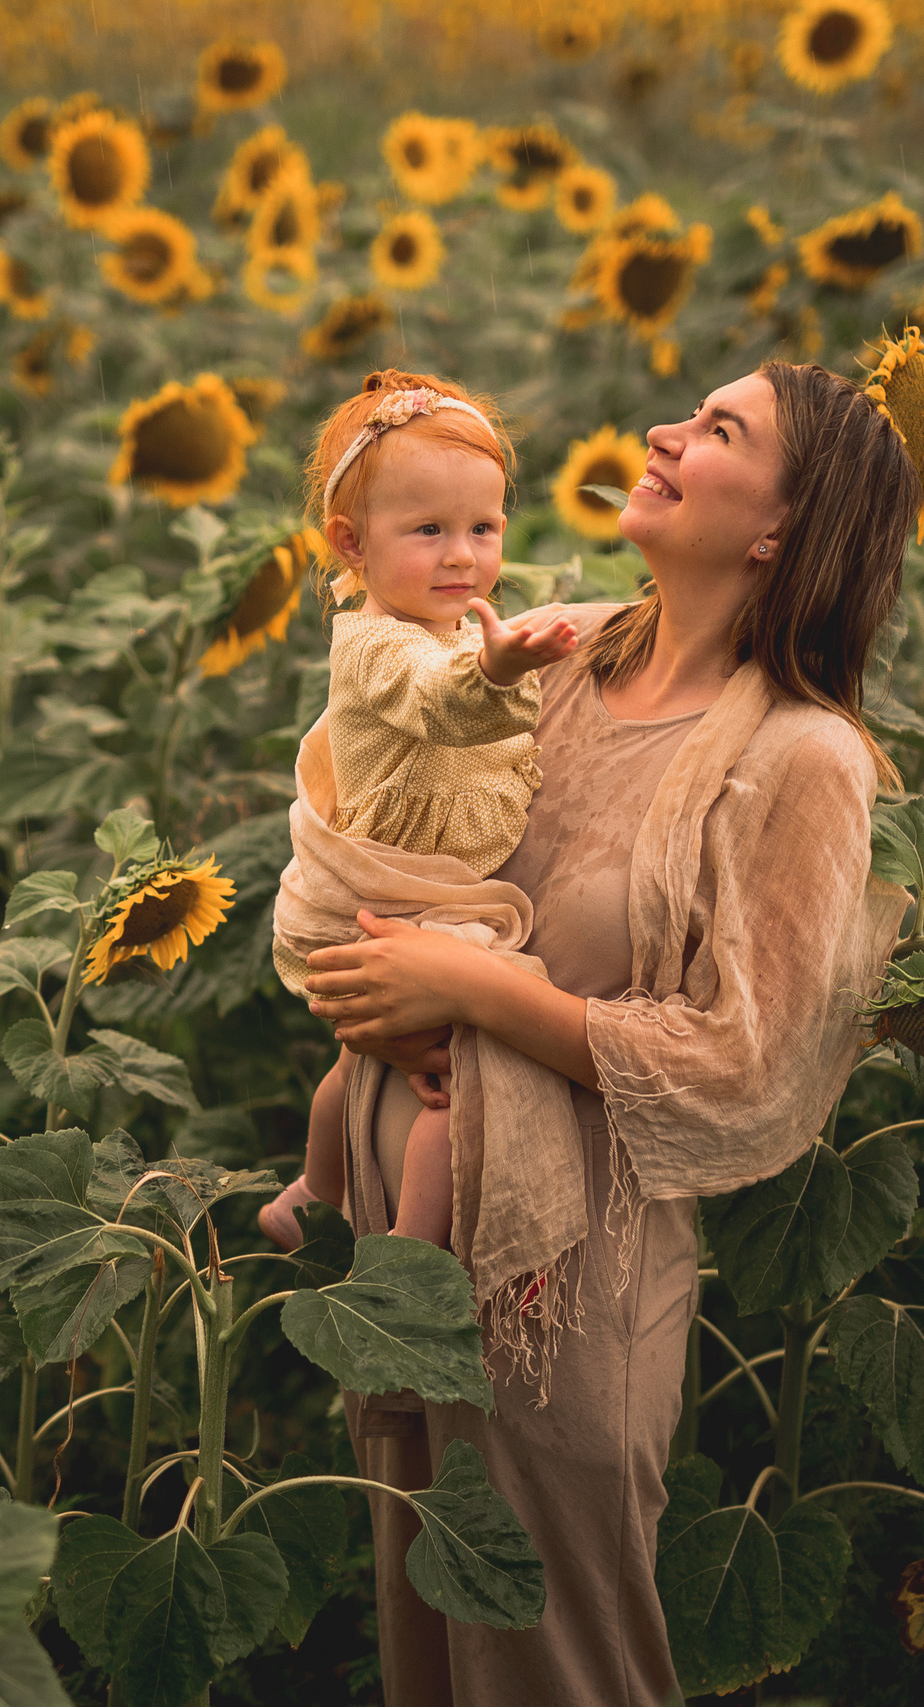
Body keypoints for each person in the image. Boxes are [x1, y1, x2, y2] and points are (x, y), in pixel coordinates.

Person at [295, 360, 922, 1705]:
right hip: (407, 1268)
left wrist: (477, 995)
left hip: (557, 1291)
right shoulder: (555, 661)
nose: (665, 431)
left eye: (719, 430)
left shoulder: (801, 757)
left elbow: (745, 1061)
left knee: (556, 1669)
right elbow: (394, 832)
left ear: (777, 527)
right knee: (429, 1663)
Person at [257, 370, 581, 1257]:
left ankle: (312, 1195)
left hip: (403, 885)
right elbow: (439, 701)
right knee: (457, 1087)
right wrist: (504, 671)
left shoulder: (447, 630)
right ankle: (408, 1262)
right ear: (351, 543)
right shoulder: (378, 646)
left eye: (483, 528)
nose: (462, 556)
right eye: (428, 530)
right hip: (396, 900)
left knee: (357, 1062)